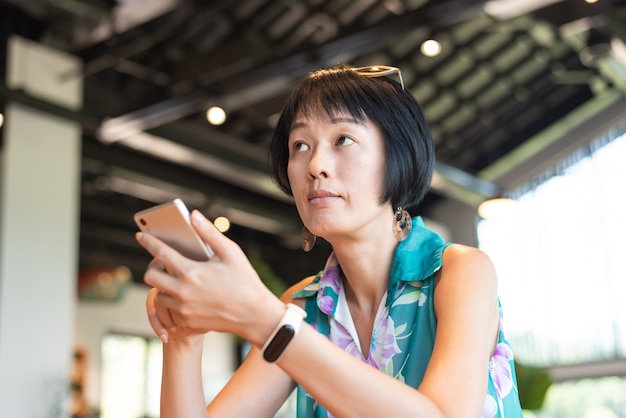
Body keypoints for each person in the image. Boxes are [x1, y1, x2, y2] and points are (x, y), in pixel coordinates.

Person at [135, 64, 524, 417]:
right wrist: (182, 340)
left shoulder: (460, 272)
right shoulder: (304, 306)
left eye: (343, 140)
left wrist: (264, 320)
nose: (316, 166)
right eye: (300, 145)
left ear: (397, 155)